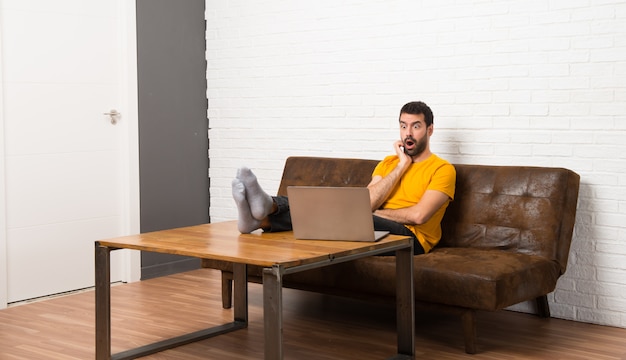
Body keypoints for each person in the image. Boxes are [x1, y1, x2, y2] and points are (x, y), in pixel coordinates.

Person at [231, 101, 456, 254]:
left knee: (340, 211)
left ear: (430, 130)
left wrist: (367, 212)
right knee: (327, 207)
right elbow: (367, 202)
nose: (408, 133)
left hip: (412, 239)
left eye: (416, 126)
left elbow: (418, 216)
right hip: (371, 222)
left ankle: (265, 212)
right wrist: (401, 167)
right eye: (403, 126)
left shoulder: (442, 169)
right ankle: (263, 215)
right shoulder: (389, 163)